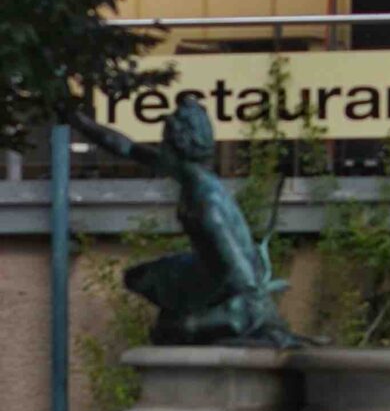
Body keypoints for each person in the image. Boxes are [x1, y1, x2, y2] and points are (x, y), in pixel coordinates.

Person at [72, 90, 297, 346]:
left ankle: (199, 321)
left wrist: (224, 321)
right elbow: (127, 147)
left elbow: (246, 284)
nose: (159, 151)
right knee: (142, 278)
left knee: (171, 327)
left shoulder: (207, 205)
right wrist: (80, 122)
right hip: (209, 271)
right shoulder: (190, 175)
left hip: (230, 286)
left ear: (174, 149)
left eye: (163, 144)